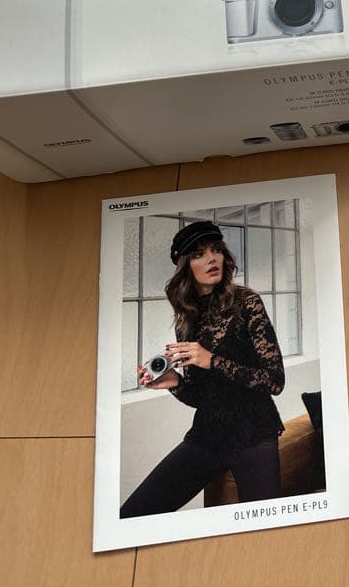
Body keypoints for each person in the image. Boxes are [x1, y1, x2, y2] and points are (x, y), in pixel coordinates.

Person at [120, 220, 286, 518]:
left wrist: (212, 360)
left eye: (216, 250)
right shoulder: (187, 318)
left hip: (254, 434)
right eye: (199, 254)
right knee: (133, 513)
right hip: (207, 436)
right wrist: (174, 383)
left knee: (264, 527)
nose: (212, 259)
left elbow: (275, 381)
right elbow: (201, 396)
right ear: (186, 266)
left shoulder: (248, 302)